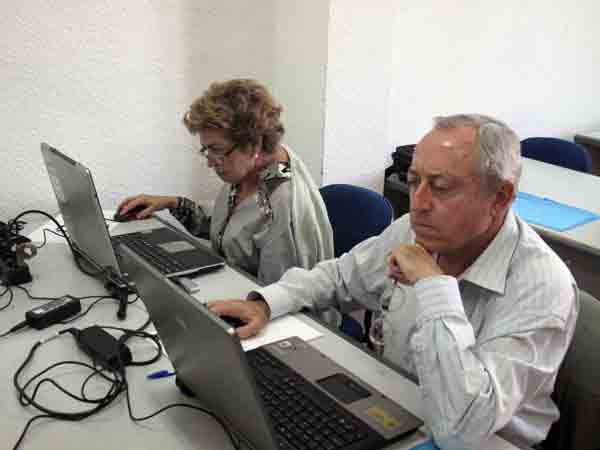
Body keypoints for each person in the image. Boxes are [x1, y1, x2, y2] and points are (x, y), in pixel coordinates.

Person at [208, 114, 579, 449]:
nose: (418, 203)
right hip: (401, 408)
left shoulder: (543, 286)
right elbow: (339, 276)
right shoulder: (418, 229)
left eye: (441, 187)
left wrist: (434, 286)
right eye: (414, 181)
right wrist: (265, 303)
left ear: (499, 197)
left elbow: (462, 427)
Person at [117, 79, 334, 285]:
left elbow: (279, 299)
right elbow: (232, 231)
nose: (210, 162)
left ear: (253, 143)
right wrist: (174, 203)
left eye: (216, 150)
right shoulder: (251, 166)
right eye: (206, 150)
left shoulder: (283, 205)